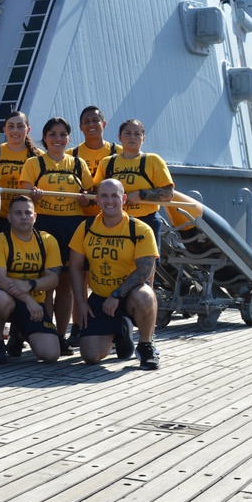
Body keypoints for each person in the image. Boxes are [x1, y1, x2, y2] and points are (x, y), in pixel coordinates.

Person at [19, 117, 95, 357]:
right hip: (44, 225)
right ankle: (44, 331)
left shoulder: (78, 163)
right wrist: (34, 197)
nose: (58, 139)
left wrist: (85, 198)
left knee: (66, 285)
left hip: (72, 226)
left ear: (69, 138)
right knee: (45, 283)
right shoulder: (34, 163)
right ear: (45, 137)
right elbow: (23, 196)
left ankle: (60, 336)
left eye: (63, 134)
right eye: (52, 134)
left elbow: (89, 193)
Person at [68, 178, 161, 370]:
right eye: (104, 196)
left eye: (115, 196)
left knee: (146, 295)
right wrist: (81, 302)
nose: (109, 201)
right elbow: (75, 266)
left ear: (124, 199)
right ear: (97, 200)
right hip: (101, 297)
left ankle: (146, 345)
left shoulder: (140, 229)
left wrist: (117, 295)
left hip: (129, 296)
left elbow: (144, 271)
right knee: (90, 356)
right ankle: (121, 331)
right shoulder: (86, 227)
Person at [65, 105, 121, 347]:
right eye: (86, 121)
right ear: (80, 127)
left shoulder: (118, 153)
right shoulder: (72, 154)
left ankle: (119, 325)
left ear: (104, 124)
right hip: (82, 219)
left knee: (115, 272)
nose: (91, 125)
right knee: (81, 276)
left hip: (112, 221)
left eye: (95, 120)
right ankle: (78, 326)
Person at [0, 195, 62, 364]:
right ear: (10, 217)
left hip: (35, 305)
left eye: (28, 213)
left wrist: (30, 285)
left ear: (35, 217)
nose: (23, 217)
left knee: (51, 355)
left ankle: (19, 333)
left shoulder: (48, 241)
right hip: (10, 300)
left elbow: (53, 279)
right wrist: (27, 298)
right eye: (18, 213)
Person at [94, 119, 174, 252]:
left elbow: (168, 194)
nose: (132, 137)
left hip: (146, 222)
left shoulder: (153, 160)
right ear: (119, 137)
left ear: (143, 138)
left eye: (137, 134)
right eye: (127, 133)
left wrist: (141, 195)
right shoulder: (107, 163)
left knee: (146, 266)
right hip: (113, 223)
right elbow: (97, 191)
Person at [0, 111, 42, 233]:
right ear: (4, 130)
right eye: (11, 126)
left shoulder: (39, 157)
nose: (15, 130)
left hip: (25, 220)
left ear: (28, 130)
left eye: (20, 126)